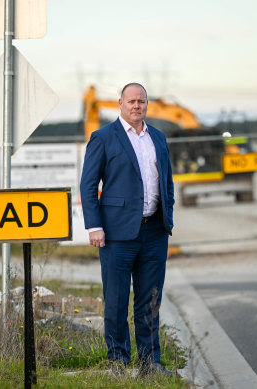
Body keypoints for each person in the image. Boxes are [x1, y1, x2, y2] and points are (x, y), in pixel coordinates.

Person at [80, 83, 175, 376]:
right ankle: (118, 363)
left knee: (150, 300)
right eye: (132, 101)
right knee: (117, 301)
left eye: (142, 101)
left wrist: (168, 216)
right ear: (120, 103)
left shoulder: (157, 137)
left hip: (154, 232)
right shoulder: (103, 137)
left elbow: (167, 181)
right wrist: (94, 226)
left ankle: (150, 364)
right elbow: (87, 185)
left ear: (147, 105)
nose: (137, 106)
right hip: (116, 234)